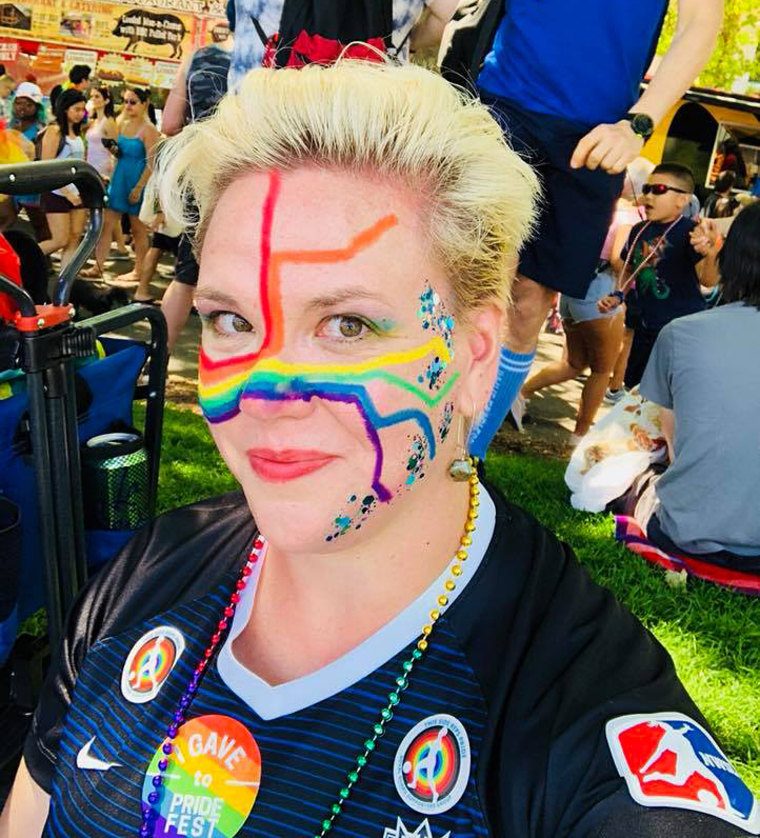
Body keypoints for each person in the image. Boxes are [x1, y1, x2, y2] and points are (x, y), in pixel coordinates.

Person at [2, 60, 756, 838]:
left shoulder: (569, 714)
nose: (266, 393)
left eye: (349, 326)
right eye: (232, 320)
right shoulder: (152, 569)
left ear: (474, 358)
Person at [466, 0, 723, 456]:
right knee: (467, 285)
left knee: (528, 305)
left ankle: (467, 462)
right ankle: (416, 443)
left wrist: (638, 125)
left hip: (597, 136)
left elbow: (702, 24)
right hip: (500, 102)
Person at [618, 201, 760, 567]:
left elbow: (676, 441)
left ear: (729, 259)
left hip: (689, 533)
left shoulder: (683, 333)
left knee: (637, 467)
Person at [519, 161, 651, 443]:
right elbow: (618, 258)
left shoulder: (605, 208)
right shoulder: (629, 216)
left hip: (574, 291)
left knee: (574, 363)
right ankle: (580, 435)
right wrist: (639, 269)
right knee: (602, 369)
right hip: (600, 294)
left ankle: (518, 397)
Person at [598, 163, 720, 389]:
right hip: (645, 325)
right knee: (635, 385)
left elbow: (709, 281)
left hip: (680, 331)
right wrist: (618, 294)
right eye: (647, 188)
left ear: (682, 200)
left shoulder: (690, 232)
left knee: (666, 391)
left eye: (659, 189)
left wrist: (711, 252)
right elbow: (626, 266)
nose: (649, 196)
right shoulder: (639, 229)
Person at [228, 0, 458, 89]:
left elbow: (237, 22)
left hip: (260, 106)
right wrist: (410, 40)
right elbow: (451, 14)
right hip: (373, 109)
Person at [83, 88, 161, 280]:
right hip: (119, 178)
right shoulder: (120, 122)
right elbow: (119, 154)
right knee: (106, 225)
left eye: (132, 102)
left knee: (138, 229)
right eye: (125, 101)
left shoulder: (148, 129)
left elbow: (152, 163)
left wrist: (139, 187)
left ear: (145, 104)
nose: (128, 106)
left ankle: (138, 270)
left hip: (137, 180)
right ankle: (98, 267)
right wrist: (112, 150)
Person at [36, 89, 88, 268]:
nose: (80, 114)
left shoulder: (77, 132)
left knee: (74, 238)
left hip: (78, 192)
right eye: (77, 109)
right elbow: (47, 166)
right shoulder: (54, 131)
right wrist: (66, 193)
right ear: (65, 109)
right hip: (57, 192)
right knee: (59, 239)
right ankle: (19, 259)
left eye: (83, 110)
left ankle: (64, 286)